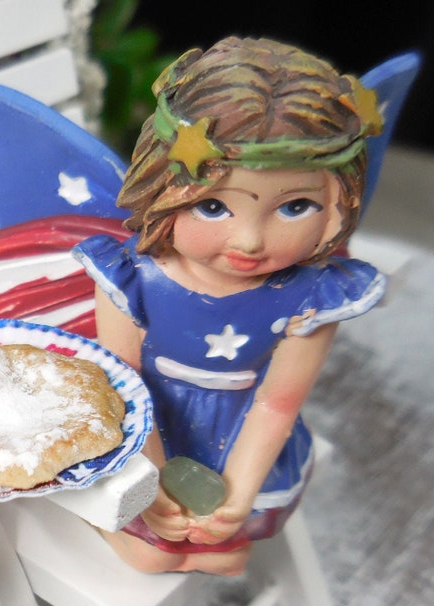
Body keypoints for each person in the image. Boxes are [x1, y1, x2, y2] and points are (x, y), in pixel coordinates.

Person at [72, 37, 387, 575]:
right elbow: (122, 385)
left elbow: (277, 404)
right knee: (152, 556)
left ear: (338, 201)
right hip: (145, 430)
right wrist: (150, 483)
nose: (249, 240)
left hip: (240, 437)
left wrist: (236, 497)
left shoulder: (313, 296)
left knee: (229, 553)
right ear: (162, 188)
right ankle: (121, 526)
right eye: (213, 206)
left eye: (296, 206)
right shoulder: (131, 277)